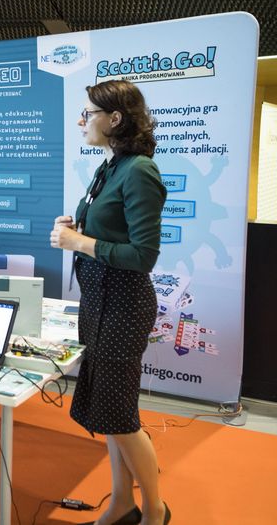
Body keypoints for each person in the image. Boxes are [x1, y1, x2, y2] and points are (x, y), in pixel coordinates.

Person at [50, 80, 169, 525]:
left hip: (123, 307)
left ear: (114, 119)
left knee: (120, 416)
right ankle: (122, 502)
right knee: (109, 412)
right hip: (98, 305)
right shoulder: (110, 166)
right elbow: (108, 232)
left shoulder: (139, 171)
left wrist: (79, 242)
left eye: (89, 113)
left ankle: (155, 511)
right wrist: (75, 230)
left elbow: (143, 255)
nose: (81, 121)